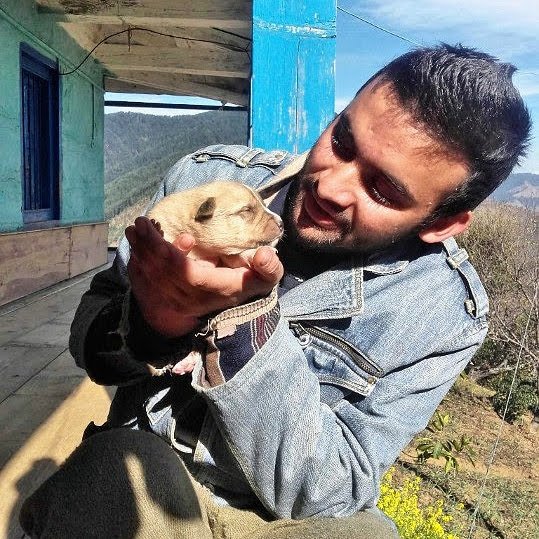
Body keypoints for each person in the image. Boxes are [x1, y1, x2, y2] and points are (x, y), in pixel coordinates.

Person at [20, 44, 530, 538]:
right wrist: (153, 329)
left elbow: (334, 491)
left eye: (383, 190)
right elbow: (90, 338)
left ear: (441, 224)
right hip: (149, 477)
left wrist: (247, 324)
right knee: (115, 471)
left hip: (273, 519)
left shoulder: (443, 314)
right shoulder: (207, 181)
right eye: (343, 142)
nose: (331, 186)